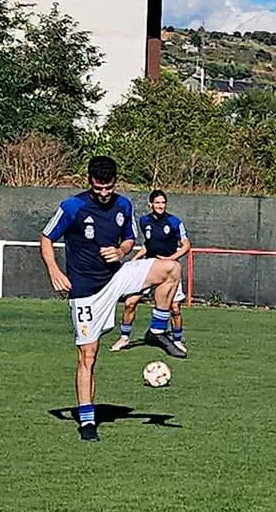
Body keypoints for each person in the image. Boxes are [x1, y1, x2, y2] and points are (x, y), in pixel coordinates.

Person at [39, 156, 186, 442]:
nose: (104, 193)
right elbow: (46, 238)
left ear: (115, 181)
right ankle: (87, 421)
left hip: (116, 277)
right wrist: (54, 270)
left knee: (172, 268)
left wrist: (120, 252)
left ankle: (156, 330)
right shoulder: (72, 207)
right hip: (85, 292)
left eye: (108, 187)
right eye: (98, 188)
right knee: (88, 356)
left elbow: (130, 240)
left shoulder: (124, 205)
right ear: (90, 182)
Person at [111, 190, 191, 353]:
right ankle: (124, 338)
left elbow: (186, 245)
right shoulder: (144, 221)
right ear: (151, 204)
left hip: (168, 271)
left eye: (163, 202)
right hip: (149, 269)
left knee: (174, 308)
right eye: (157, 202)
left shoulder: (175, 222)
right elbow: (148, 244)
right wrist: (135, 259)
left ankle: (177, 339)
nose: (160, 205)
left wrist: (170, 259)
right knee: (130, 303)